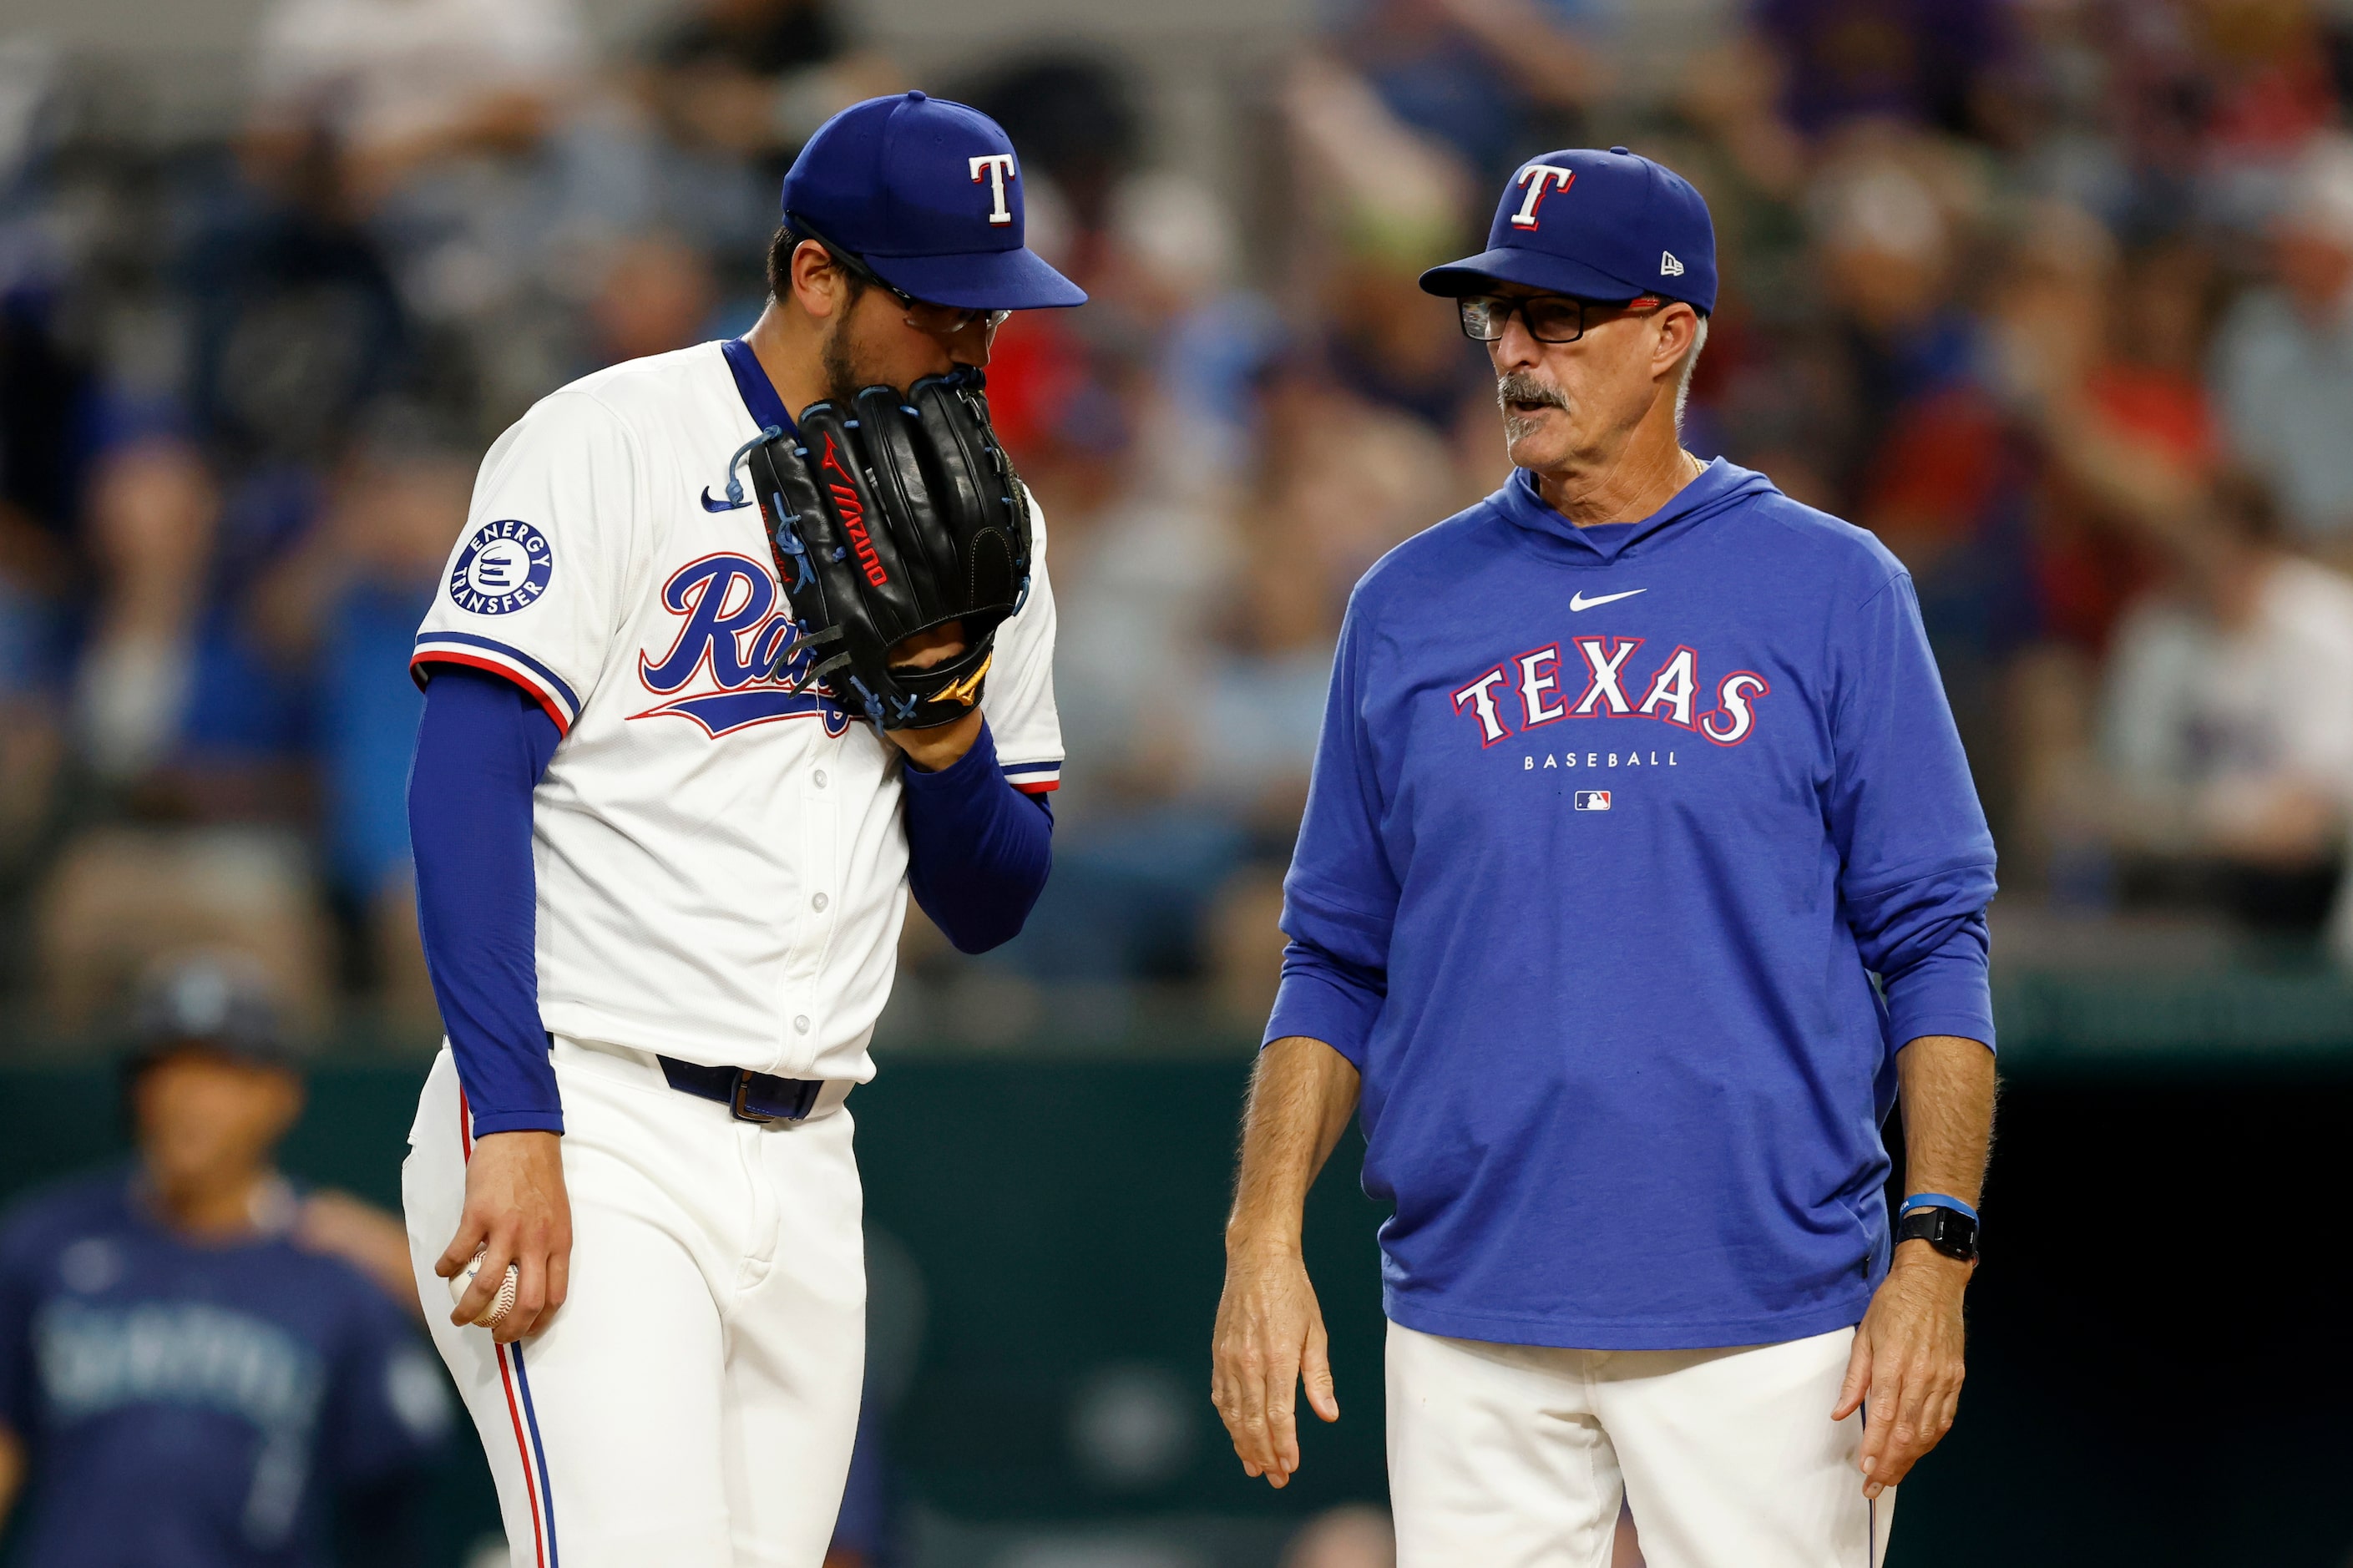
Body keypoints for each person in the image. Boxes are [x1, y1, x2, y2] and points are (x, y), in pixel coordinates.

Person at [1209, 147, 1997, 1566]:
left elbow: (1931, 941)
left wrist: (1931, 1251)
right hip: (1466, 1306)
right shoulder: (1405, 604)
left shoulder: (1830, 587)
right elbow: (1331, 959)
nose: (1513, 348)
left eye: (1556, 317)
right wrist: (1259, 1238)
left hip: (1765, 1310)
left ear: (1669, 333)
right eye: (1496, 315)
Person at [399, 91, 1075, 1566]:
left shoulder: (989, 525)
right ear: (814, 274)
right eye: (939, 306)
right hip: (596, 1103)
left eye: (992, 313)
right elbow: (461, 778)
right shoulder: (610, 437)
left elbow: (996, 896)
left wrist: (946, 736)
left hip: (811, 1149)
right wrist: (513, 1119)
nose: (972, 346)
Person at [0, 956, 449, 1568]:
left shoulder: (332, 1269)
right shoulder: (45, 1242)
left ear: (278, 1095)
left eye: (220, 1072)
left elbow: (391, 1489)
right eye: (168, 1070)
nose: (190, 1098)